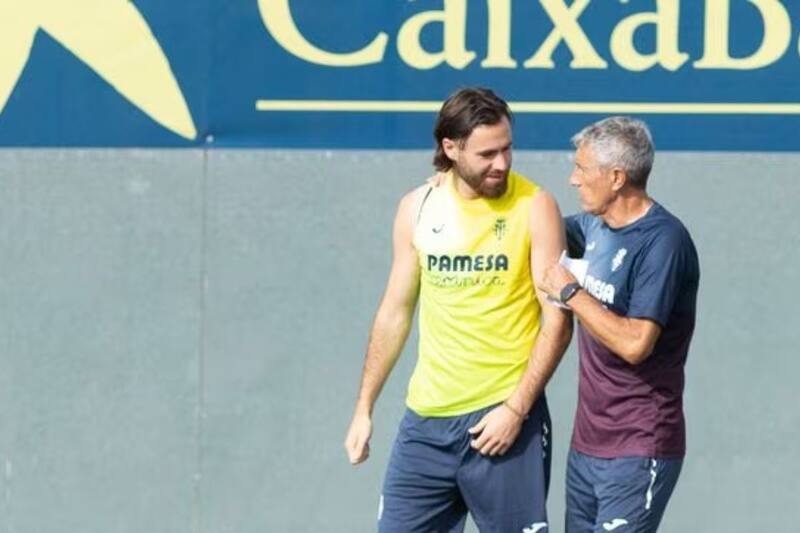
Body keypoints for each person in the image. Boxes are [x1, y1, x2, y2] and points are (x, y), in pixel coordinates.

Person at [344, 87, 572, 532]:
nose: (502, 163)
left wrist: (516, 409)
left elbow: (558, 319)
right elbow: (395, 311)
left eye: (507, 148)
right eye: (487, 153)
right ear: (450, 148)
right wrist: (364, 408)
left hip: (503, 422)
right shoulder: (418, 207)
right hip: (425, 426)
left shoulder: (535, 205)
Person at [540, 116, 700, 532]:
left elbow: (635, 344)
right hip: (587, 446)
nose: (573, 180)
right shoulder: (592, 227)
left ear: (615, 177)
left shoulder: (663, 242)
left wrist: (571, 293)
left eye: (581, 168)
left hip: (639, 446)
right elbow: (534, 223)